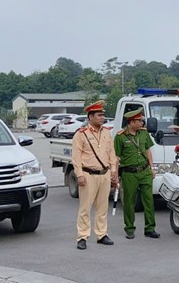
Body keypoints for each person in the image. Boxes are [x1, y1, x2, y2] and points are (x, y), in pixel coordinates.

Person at [72, 100, 118, 250]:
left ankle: (101, 234)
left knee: (102, 207)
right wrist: (79, 174)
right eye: (99, 115)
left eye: (103, 115)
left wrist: (113, 172)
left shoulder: (106, 132)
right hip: (88, 174)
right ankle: (82, 236)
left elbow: (111, 153)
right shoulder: (81, 134)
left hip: (104, 175)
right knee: (85, 207)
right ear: (90, 117)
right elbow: (76, 156)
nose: (102, 118)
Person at [114, 107, 160, 240]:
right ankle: (129, 228)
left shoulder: (144, 134)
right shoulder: (120, 136)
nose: (142, 123)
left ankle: (150, 228)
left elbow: (148, 151)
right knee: (129, 201)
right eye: (139, 121)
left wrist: (152, 167)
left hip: (145, 171)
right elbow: (116, 157)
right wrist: (115, 175)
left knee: (149, 200)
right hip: (129, 173)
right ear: (131, 122)